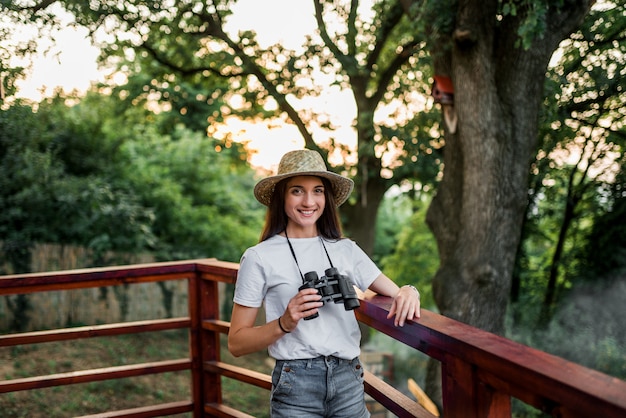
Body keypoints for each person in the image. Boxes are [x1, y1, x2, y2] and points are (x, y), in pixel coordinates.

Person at [228, 149, 421, 418]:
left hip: (348, 379)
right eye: (297, 191)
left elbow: (396, 290)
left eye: (318, 191)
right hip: (296, 385)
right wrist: (285, 322)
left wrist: (410, 291)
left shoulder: (345, 250)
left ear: (326, 197)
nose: (309, 201)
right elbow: (237, 343)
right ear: (281, 196)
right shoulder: (259, 257)